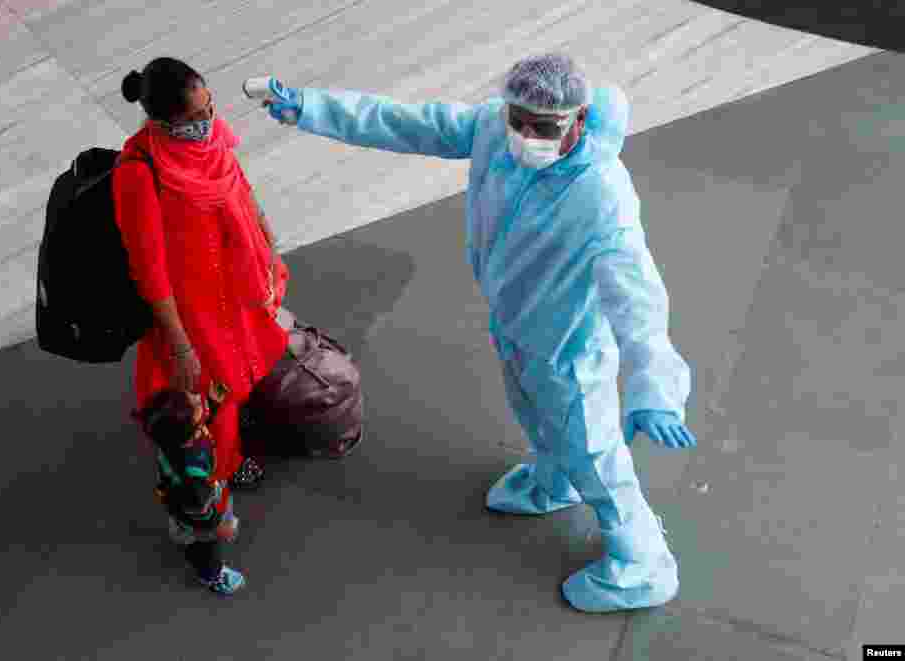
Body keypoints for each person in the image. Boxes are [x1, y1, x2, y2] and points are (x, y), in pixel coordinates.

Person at [251, 53, 697, 613]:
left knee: (596, 455)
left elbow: (639, 299)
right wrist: (312, 109)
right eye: (518, 120)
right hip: (516, 323)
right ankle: (552, 481)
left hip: (567, 348)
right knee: (533, 414)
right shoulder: (495, 128)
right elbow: (410, 122)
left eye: (544, 127)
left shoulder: (600, 196)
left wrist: (657, 390)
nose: (525, 135)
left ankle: (642, 563)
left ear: (578, 120)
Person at [114, 58, 293, 578]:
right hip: (190, 314)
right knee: (208, 396)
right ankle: (213, 478)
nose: (210, 119)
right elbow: (151, 274)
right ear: (163, 122)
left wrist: (265, 242)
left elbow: (240, 184)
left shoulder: (209, 139)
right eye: (197, 115)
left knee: (232, 385)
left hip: (230, 294)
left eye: (210, 106)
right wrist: (181, 345)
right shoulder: (139, 174)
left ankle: (229, 459)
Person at [131, 384, 244, 594]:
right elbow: (200, 511)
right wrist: (218, 526)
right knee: (204, 548)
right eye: (193, 404)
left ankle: (183, 532)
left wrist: (213, 403)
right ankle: (211, 575)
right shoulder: (193, 474)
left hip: (183, 497)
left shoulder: (172, 437)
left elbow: (200, 421)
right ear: (191, 434)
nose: (196, 398)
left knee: (187, 520)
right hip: (196, 515)